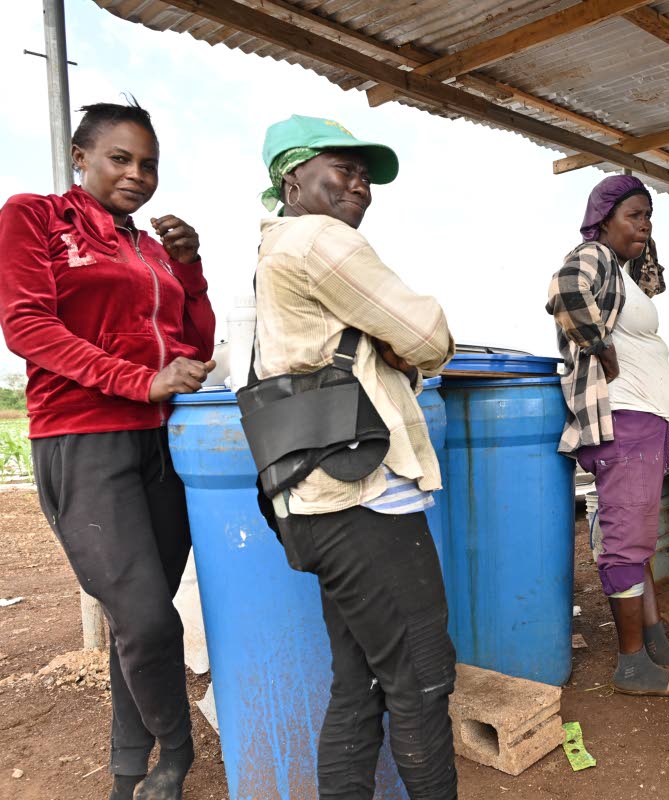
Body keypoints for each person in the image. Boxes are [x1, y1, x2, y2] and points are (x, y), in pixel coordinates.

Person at [0, 101, 215, 800]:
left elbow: (195, 346)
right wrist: (139, 381)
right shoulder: (35, 217)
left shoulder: (149, 247)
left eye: (148, 163)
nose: (137, 174)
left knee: (140, 621)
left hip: (160, 447)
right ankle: (176, 756)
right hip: (82, 440)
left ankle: (130, 775)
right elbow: (27, 325)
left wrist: (189, 269)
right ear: (80, 156)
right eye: (120, 158)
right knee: (149, 617)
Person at [254, 115, 456, 799]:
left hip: (316, 499)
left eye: (365, 174)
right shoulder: (319, 239)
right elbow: (427, 332)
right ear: (294, 179)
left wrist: (394, 346)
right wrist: (408, 344)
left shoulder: (275, 250)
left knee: (363, 679)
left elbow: (389, 349)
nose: (360, 183)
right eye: (343, 168)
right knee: (423, 675)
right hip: (363, 497)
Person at [547, 175, 669, 697]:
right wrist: (599, 347)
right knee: (625, 543)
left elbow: (651, 278)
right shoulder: (594, 254)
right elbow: (565, 287)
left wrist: (643, 244)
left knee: (638, 542)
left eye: (649, 217)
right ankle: (631, 667)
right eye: (635, 215)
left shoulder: (621, 271)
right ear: (604, 217)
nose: (644, 226)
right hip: (621, 420)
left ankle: (653, 646)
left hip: (642, 421)